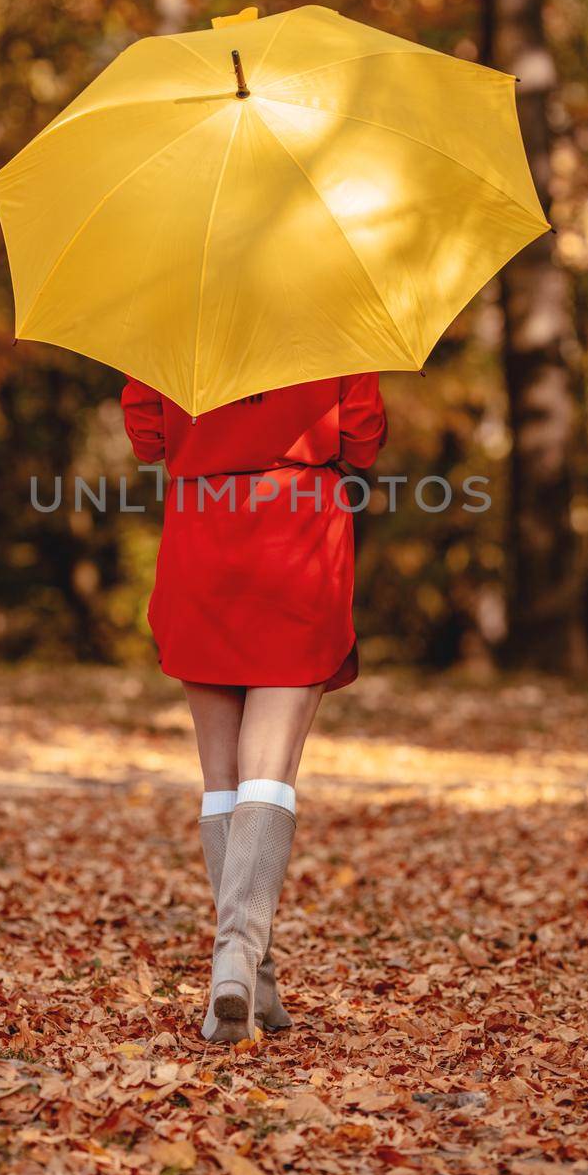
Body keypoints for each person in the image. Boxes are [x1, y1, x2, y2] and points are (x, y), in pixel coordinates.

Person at [121, 374, 387, 1042]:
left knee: (221, 777)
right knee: (267, 772)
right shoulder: (333, 318)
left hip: (201, 532)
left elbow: (147, 438)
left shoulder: (175, 313)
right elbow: (363, 439)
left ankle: (252, 982)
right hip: (297, 537)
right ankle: (235, 956)